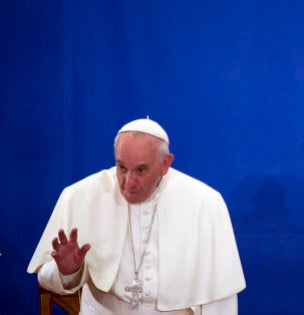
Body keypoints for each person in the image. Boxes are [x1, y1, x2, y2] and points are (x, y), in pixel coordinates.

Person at [27, 118, 246, 314]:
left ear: (165, 164)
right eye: (121, 167)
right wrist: (69, 272)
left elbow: (220, 297)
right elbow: (46, 278)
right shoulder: (80, 195)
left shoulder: (205, 203)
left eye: (141, 170)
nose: (128, 182)